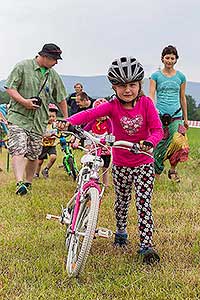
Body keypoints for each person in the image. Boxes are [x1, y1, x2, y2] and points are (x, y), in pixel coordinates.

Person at [60, 56, 163, 264]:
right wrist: (67, 122)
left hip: (143, 162)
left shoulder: (146, 104)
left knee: (144, 203)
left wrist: (150, 142)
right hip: (121, 164)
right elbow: (90, 114)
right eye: (122, 86)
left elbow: (157, 129)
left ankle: (146, 245)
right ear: (114, 87)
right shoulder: (112, 106)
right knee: (122, 202)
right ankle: (121, 232)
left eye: (132, 85)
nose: (128, 90)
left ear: (139, 85)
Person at [5, 43, 68, 195]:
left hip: (39, 121)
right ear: (45, 56)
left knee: (34, 154)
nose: (56, 63)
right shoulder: (22, 67)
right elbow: (10, 88)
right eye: (54, 59)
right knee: (19, 149)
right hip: (19, 116)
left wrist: (66, 118)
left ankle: (28, 183)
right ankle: (19, 182)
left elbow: (60, 98)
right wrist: (24, 102)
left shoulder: (53, 76)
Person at [149, 45, 189, 182]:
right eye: (167, 58)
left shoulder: (181, 77)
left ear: (176, 60)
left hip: (176, 114)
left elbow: (183, 98)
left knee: (179, 142)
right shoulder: (155, 76)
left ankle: (172, 169)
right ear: (162, 58)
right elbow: (151, 95)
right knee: (159, 144)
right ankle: (157, 173)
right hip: (159, 114)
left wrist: (186, 118)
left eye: (172, 58)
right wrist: (152, 111)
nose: (169, 61)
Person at [83, 98, 112, 187]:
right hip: (94, 147)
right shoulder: (93, 122)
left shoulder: (109, 122)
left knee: (105, 168)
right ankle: (88, 181)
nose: (102, 115)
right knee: (91, 164)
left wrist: (109, 141)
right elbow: (85, 131)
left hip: (105, 148)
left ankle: (105, 184)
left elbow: (112, 132)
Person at [34, 103, 58, 179]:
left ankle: (46, 169)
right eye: (49, 116)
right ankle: (36, 174)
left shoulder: (55, 125)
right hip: (42, 145)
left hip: (51, 145)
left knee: (53, 157)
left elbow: (58, 132)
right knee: (40, 161)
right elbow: (41, 134)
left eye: (53, 116)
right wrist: (48, 135)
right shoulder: (42, 125)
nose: (51, 118)